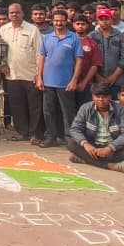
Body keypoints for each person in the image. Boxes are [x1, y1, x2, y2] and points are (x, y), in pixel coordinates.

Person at [36, 8, 83, 148]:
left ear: (66, 21)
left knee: (68, 113)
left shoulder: (74, 38)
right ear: (52, 21)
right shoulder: (47, 38)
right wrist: (39, 78)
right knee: (48, 111)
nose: (58, 23)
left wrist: (74, 80)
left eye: (61, 21)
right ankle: (51, 137)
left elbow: (79, 60)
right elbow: (42, 58)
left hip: (66, 83)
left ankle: (71, 140)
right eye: (56, 21)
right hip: (48, 82)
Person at [66, 84, 124, 174]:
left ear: (110, 97)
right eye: (97, 96)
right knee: (71, 143)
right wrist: (86, 144)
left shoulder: (121, 110)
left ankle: (85, 159)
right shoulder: (85, 108)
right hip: (92, 146)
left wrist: (110, 148)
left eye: (104, 97)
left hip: (113, 148)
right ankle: (109, 165)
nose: (101, 99)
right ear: (93, 97)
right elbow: (75, 129)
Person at [0, 3, 43, 144]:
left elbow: (39, 53)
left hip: (31, 75)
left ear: (23, 13)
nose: (14, 15)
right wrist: (2, 64)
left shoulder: (32, 30)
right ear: (8, 14)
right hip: (12, 75)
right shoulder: (3, 30)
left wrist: (39, 74)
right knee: (17, 106)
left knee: (34, 106)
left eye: (17, 12)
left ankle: (35, 134)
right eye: (12, 12)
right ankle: (22, 132)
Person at [91, 7, 124, 95]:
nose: (104, 21)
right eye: (101, 19)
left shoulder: (120, 36)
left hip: (118, 80)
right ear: (97, 21)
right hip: (97, 80)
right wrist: (97, 76)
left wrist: (114, 76)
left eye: (107, 19)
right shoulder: (92, 37)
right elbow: (89, 59)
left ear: (112, 20)